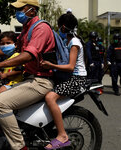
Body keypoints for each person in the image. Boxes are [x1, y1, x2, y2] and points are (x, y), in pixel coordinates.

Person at [0, 0, 55, 149]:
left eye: (20, 9)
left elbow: (28, 55)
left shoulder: (41, 28)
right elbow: (11, 50)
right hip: (30, 79)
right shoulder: (27, 29)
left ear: (32, 11)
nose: (17, 13)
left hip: (41, 81)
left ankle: (19, 146)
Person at [41, 13, 87, 149]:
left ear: (62, 27)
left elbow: (70, 66)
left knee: (50, 97)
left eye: (58, 27)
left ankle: (62, 135)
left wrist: (51, 65)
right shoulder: (68, 41)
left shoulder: (74, 42)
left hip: (77, 79)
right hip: (71, 77)